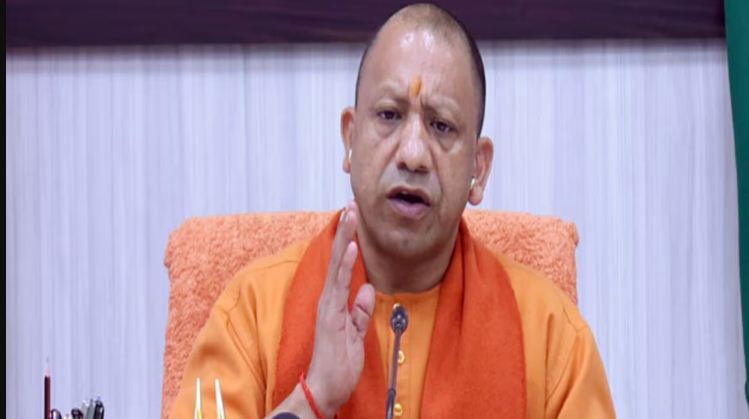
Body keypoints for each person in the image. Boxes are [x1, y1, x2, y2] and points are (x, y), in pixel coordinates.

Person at [169, 3, 615, 418]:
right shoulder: (251, 313)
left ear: (478, 169)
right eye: (389, 115)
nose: (413, 154)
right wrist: (313, 397)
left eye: (441, 126)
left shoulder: (552, 338)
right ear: (350, 138)